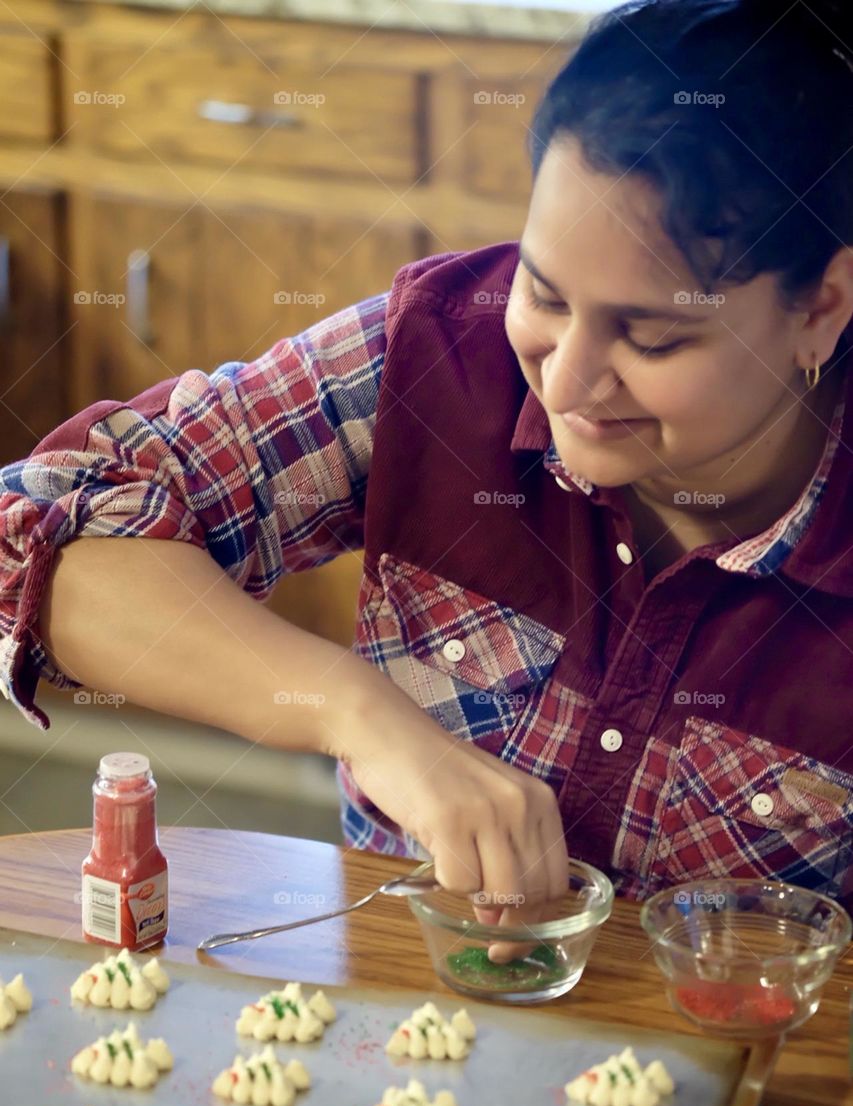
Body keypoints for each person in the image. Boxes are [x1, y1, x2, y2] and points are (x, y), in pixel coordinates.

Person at [1, 0, 852, 934]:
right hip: (409, 1043)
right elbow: (42, 531)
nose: (565, 381)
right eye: (545, 292)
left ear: (821, 306)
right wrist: (353, 712)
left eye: (649, 336)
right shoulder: (439, 353)